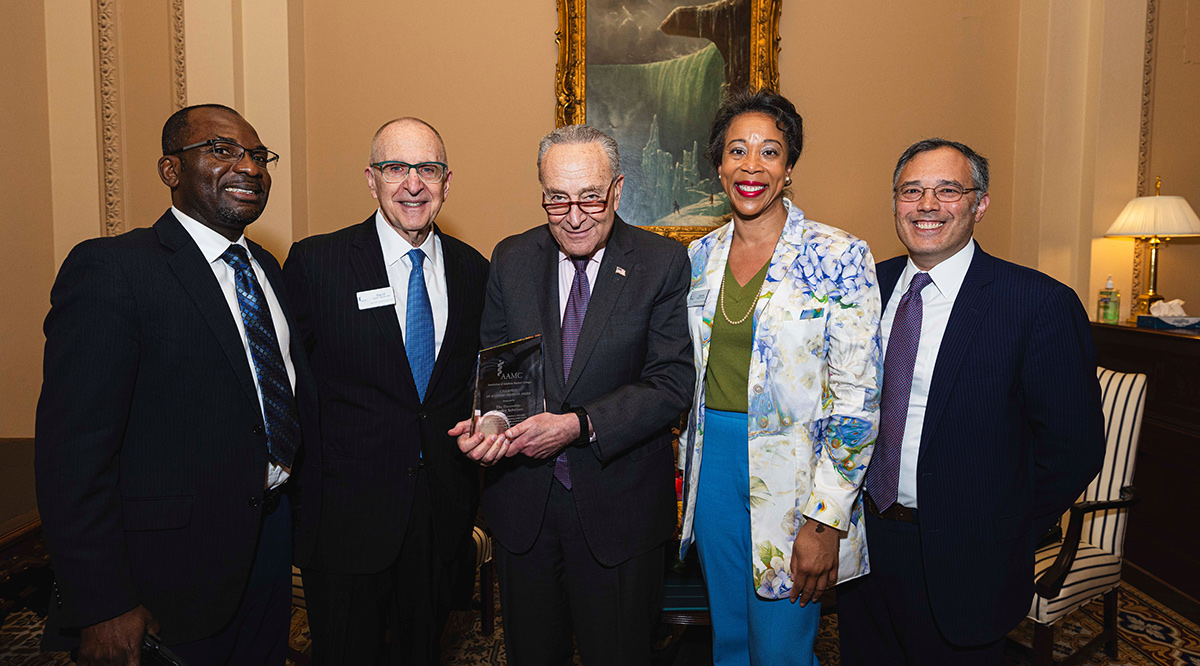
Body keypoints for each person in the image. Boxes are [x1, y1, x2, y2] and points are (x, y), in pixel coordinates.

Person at [35, 103, 314, 665]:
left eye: (259, 156)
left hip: (270, 542)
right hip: (169, 572)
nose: (251, 168)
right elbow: (73, 456)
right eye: (222, 150)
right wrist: (102, 602)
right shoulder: (113, 269)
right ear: (170, 170)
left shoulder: (266, 267)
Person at [837, 138, 1105, 665]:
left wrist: (1000, 523)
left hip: (968, 558)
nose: (927, 205)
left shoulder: (1037, 303)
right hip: (864, 543)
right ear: (895, 202)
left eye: (948, 190)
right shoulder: (865, 284)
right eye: (912, 190)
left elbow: (1074, 447)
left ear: (979, 204)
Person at [451, 124, 694, 665]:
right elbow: (495, 369)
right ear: (541, 192)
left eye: (590, 196)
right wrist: (488, 425)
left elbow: (671, 384)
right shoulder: (511, 258)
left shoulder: (661, 263)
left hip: (620, 510)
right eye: (558, 199)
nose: (576, 214)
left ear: (619, 189)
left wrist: (578, 424)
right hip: (525, 511)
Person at [676, 89, 881, 665]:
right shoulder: (697, 257)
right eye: (737, 151)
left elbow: (858, 396)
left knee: (782, 644)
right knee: (731, 638)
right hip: (711, 464)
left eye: (770, 152)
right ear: (719, 165)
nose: (752, 166)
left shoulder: (839, 254)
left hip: (796, 474)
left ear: (789, 167)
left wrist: (826, 517)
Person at [282, 117, 488, 665]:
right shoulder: (316, 262)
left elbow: (479, 384)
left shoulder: (475, 271)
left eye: (428, 169)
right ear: (371, 180)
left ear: (448, 182)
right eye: (396, 168)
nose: (413, 184)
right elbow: (289, 391)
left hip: (441, 516)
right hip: (346, 519)